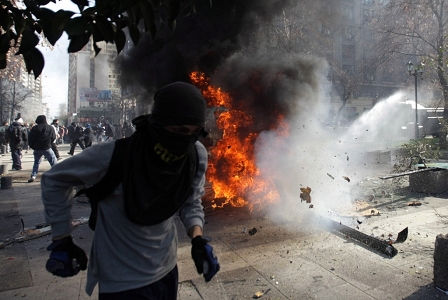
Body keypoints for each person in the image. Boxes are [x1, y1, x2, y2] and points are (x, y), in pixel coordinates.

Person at [41, 82, 220, 299]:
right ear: (158, 124)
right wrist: (61, 237)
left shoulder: (196, 154)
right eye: (179, 130)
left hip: (167, 270)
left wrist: (197, 238)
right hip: (122, 282)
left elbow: (191, 202)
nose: (186, 139)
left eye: (194, 132)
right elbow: (54, 179)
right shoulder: (114, 156)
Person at [27, 115, 57, 183]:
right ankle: (56, 174)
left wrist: (33, 146)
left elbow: (30, 138)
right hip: (47, 147)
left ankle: (33, 175)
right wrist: (49, 143)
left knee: (36, 162)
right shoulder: (50, 127)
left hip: (37, 148)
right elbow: (53, 137)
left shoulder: (35, 128)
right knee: (53, 161)